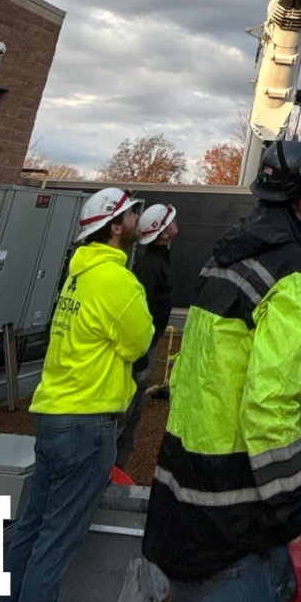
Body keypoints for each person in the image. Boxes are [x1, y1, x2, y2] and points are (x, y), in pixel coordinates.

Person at [142, 140, 301, 602]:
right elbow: (270, 408)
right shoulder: (288, 276)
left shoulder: (222, 259)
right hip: (239, 519)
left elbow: (193, 374)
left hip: (184, 500)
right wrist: (296, 522)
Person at [0, 187, 154, 602]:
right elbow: (139, 343)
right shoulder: (116, 281)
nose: (135, 220)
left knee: (31, 529)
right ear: (114, 227)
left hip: (53, 416)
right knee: (55, 541)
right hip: (87, 423)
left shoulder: (78, 273)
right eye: (129, 214)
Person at [115, 202, 177, 472]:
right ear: (163, 232)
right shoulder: (149, 266)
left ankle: (116, 470)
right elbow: (141, 309)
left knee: (134, 413)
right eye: (170, 221)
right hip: (140, 350)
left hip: (146, 347)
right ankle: (106, 470)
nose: (176, 223)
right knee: (125, 414)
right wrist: (139, 357)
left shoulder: (160, 258)